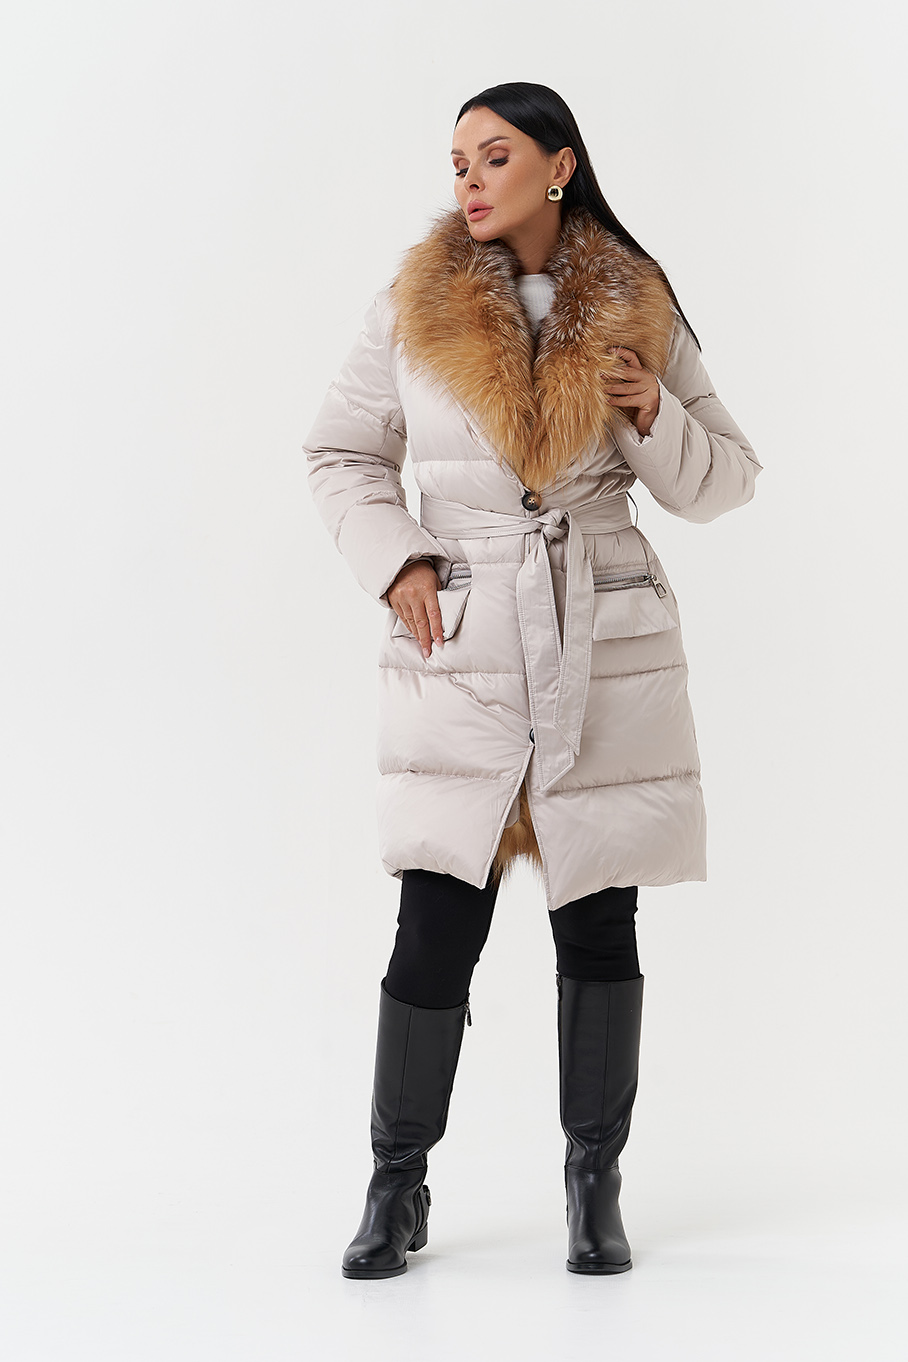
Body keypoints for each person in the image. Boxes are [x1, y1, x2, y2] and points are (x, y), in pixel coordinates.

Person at [304, 81, 762, 1279]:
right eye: (456, 159)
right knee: (432, 923)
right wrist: (398, 558)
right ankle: (394, 1186)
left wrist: (652, 410)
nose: (467, 178)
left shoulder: (633, 300)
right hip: (460, 648)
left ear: (557, 166)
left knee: (597, 921)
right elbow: (340, 451)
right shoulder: (410, 304)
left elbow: (724, 480)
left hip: (599, 645)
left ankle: (591, 1185)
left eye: (492, 155)